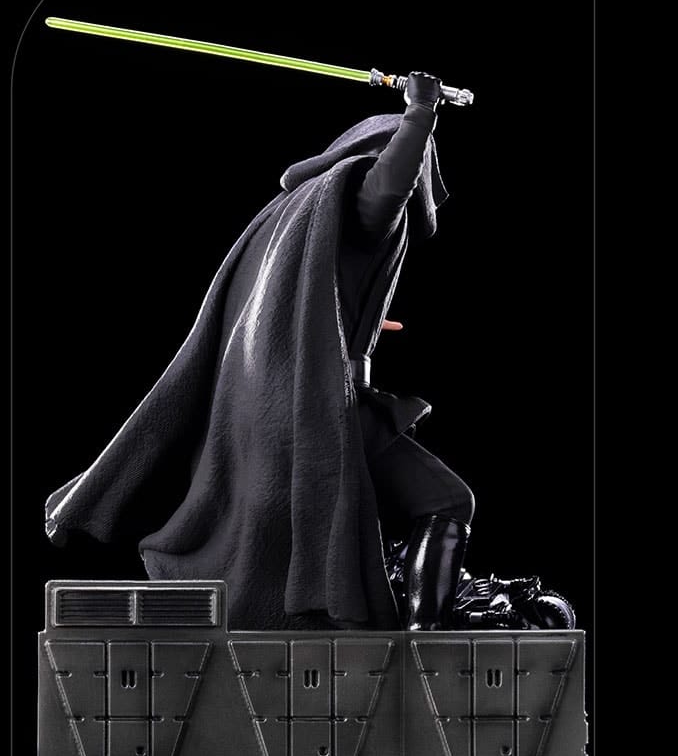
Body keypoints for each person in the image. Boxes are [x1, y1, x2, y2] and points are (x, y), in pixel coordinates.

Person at [45, 72, 474, 631]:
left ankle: (408, 623)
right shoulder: (352, 194)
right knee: (446, 501)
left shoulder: (295, 214)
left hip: (292, 404)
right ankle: (426, 643)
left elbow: (302, 299)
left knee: (406, 511)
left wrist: (351, 322)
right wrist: (421, 111)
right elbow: (390, 188)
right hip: (321, 410)